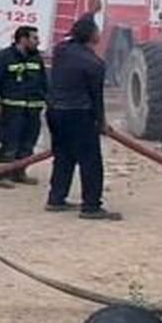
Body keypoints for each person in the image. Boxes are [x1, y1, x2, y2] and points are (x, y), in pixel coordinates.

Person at [45, 15, 121, 220]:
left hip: (54, 112)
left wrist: (89, 13)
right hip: (79, 114)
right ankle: (91, 206)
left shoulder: (61, 50)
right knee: (90, 161)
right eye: (97, 29)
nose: (100, 32)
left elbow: (72, 32)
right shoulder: (95, 63)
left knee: (63, 156)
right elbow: (96, 97)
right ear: (92, 36)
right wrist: (102, 122)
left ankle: (56, 198)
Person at [0, 25, 46, 189]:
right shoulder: (3, 57)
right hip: (11, 111)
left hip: (32, 111)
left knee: (28, 143)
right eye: (35, 38)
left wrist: (50, 101)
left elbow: (44, 83)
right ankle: (2, 175)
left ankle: (19, 172)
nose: (38, 42)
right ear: (23, 39)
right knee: (8, 143)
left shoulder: (36, 58)